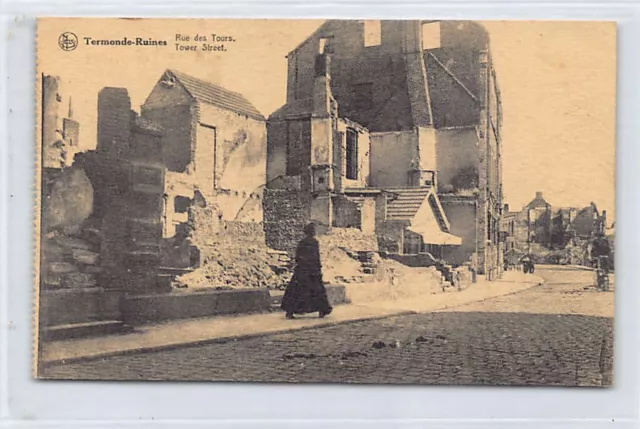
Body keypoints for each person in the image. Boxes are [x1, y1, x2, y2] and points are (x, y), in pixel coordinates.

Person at [281, 223, 333, 319]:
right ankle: (322, 310)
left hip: (302, 270)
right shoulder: (314, 242)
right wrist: (318, 268)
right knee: (317, 291)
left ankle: (290, 311)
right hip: (313, 270)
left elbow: (297, 257)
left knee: (297, 290)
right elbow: (316, 257)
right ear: (312, 232)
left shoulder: (302, 242)